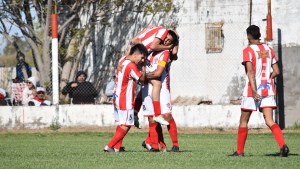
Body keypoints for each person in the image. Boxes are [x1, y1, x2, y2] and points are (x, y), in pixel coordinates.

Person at [231, 25, 289, 157]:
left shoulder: (248, 50)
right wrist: (267, 79)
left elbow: (250, 72)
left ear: (249, 36)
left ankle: (239, 151)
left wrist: (253, 89)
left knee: (244, 121)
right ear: (259, 35)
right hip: (267, 89)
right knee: (269, 120)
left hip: (252, 91)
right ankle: (282, 146)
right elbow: (277, 71)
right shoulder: (269, 49)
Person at [131, 27, 179, 126]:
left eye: (169, 40)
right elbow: (149, 45)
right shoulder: (154, 48)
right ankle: (154, 115)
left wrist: (146, 29)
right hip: (143, 68)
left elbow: (174, 55)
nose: (165, 40)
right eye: (165, 38)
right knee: (156, 83)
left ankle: (135, 114)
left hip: (161, 83)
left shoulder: (164, 52)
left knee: (145, 89)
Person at [103, 44, 147, 152]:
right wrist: (144, 69)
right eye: (142, 57)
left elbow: (127, 52)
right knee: (127, 124)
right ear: (136, 54)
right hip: (125, 98)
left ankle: (117, 148)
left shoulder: (122, 61)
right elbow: (141, 79)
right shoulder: (131, 66)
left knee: (122, 123)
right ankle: (109, 146)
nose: (142, 60)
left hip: (116, 96)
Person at [141, 48, 179, 152]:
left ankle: (175, 145)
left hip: (162, 89)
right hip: (147, 88)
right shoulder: (147, 52)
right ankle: (155, 146)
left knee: (166, 116)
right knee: (152, 119)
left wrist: (143, 76)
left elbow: (158, 73)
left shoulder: (166, 53)